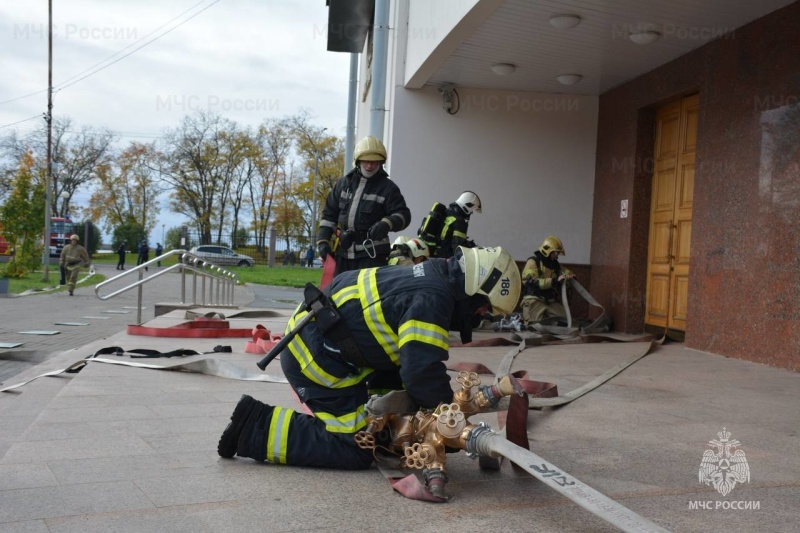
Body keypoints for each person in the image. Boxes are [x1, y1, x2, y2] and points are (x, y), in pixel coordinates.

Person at [217, 246, 521, 470]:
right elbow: (421, 372)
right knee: (360, 447)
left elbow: (410, 364)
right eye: (484, 308)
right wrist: (448, 415)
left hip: (329, 345)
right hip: (316, 364)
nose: (481, 316)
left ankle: (382, 421)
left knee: (387, 424)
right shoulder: (432, 300)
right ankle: (254, 428)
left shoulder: (432, 275)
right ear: (476, 289)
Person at [316, 136, 411, 277]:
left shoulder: (388, 188)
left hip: (372, 256)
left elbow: (403, 215)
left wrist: (386, 224)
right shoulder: (343, 184)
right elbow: (328, 215)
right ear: (358, 161)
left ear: (381, 163)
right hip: (343, 254)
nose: (370, 166)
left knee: (368, 297)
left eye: (374, 162)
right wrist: (323, 241)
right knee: (338, 295)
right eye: (366, 161)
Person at [520, 235, 574, 328]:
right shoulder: (533, 262)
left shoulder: (554, 264)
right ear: (548, 251)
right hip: (534, 299)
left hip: (549, 301)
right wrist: (554, 281)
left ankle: (551, 323)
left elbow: (564, 270)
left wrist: (570, 275)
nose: (556, 256)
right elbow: (533, 282)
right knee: (533, 326)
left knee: (567, 322)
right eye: (555, 253)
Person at [418, 191, 482, 258]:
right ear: (468, 205)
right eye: (471, 211)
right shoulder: (460, 222)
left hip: (428, 255)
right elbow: (458, 249)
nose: (471, 213)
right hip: (442, 261)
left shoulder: (444, 213)